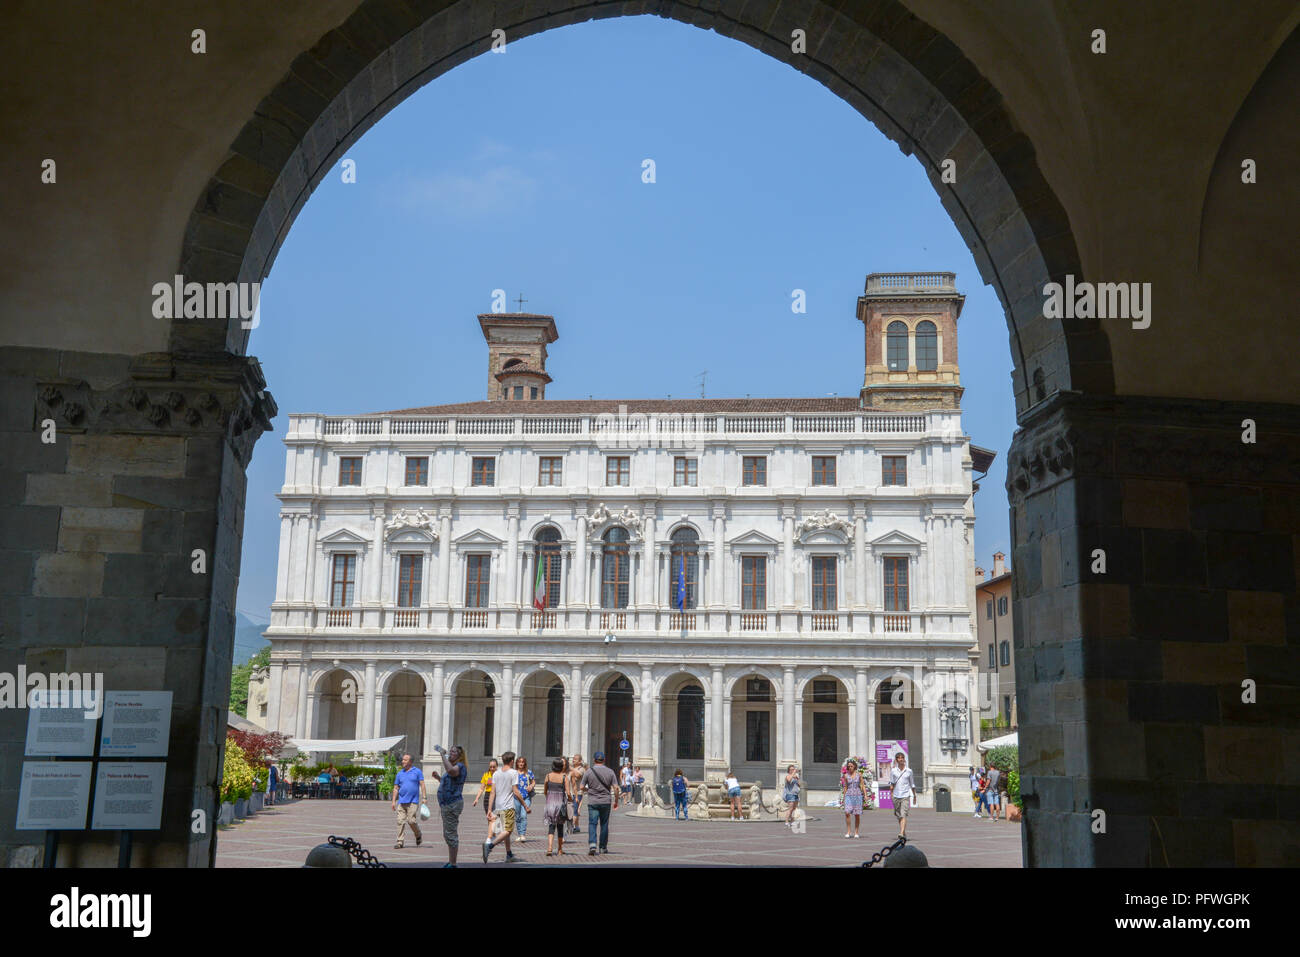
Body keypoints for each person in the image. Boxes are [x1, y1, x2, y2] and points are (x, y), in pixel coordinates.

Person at [482, 751, 525, 863]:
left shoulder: (496, 773)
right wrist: (525, 805)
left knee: (504, 831)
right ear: (511, 761)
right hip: (508, 806)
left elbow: (492, 793)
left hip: (499, 806)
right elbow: (515, 791)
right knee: (508, 831)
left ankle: (509, 854)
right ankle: (490, 846)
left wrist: (490, 809)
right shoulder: (513, 773)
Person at [428, 744, 467, 868]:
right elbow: (450, 782)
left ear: (459, 756)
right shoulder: (454, 766)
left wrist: (442, 754)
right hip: (447, 804)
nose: (450, 753)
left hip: (452, 804)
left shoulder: (460, 766)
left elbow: (451, 772)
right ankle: (451, 862)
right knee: (448, 833)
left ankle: (453, 863)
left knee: (450, 834)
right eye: (450, 751)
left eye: (453, 752)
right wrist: (439, 778)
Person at [579, 751, 619, 855]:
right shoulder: (610, 772)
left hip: (593, 801)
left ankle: (592, 844)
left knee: (592, 823)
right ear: (604, 760)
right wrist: (616, 801)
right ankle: (602, 847)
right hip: (606, 801)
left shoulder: (588, 771)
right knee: (604, 824)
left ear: (594, 760)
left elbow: (581, 787)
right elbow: (616, 788)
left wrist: (589, 790)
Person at [391, 752, 426, 849]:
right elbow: (396, 788)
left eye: (405, 760)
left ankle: (418, 834)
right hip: (401, 801)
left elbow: (422, 784)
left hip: (413, 801)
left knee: (411, 821)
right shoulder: (399, 773)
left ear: (410, 762)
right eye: (402, 760)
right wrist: (393, 801)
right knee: (400, 821)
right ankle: (400, 842)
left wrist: (424, 798)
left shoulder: (417, 771)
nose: (402, 761)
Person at [542, 757, 572, 856]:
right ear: (561, 766)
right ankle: (559, 849)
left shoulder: (548, 776)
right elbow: (568, 793)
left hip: (550, 803)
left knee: (551, 826)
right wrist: (570, 799)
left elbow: (545, 791)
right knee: (560, 827)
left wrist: (549, 796)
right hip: (560, 804)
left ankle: (549, 848)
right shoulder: (564, 777)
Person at [889, 750, 915, 839]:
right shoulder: (893, 771)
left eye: (902, 758)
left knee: (903, 814)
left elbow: (912, 784)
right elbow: (891, 783)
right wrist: (891, 794)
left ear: (904, 759)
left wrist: (914, 796)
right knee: (899, 815)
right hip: (896, 795)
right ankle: (903, 832)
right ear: (896, 760)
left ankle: (900, 832)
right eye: (899, 758)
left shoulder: (909, 771)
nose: (901, 759)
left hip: (905, 795)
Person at [472, 758, 498, 837]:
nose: (492, 769)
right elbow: (481, 788)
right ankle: (493, 834)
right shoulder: (486, 775)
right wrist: (476, 799)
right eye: (491, 767)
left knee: (494, 816)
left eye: (494, 767)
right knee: (489, 816)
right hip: (487, 796)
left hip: (497, 796)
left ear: (497, 767)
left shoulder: (499, 775)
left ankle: (492, 834)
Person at [514, 756, 535, 843]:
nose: (521, 763)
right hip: (516, 797)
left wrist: (531, 786)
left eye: (522, 762)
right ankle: (519, 834)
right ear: (517, 763)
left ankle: (523, 834)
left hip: (526, 796)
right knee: (517, 816)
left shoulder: (528, 772)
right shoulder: (514, 773)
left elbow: (533, 781)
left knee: (523, 815)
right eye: (519, 762)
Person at [841, 760, 864, 838]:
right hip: (849, 794)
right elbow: (845, 786)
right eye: (849, 766)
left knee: (857, 814)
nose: (850, 767)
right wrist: (844, 797)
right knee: (847, 812)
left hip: (857, 795)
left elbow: (862, 785)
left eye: (851, 766)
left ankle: (856, 832)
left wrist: (865, 795)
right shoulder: (846, 776)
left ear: (854, 766)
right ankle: (848, 831)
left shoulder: (859, 775)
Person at [567, 754, 586, 835]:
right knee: (573, 810)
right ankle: (577, 827)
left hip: (578, 793)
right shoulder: (571, 769)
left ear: (580, 761)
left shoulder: (581, 769)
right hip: (570, 792)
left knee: (574, 811)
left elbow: (578, 775)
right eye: (573, 759)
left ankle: (570, 828)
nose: (573, 760)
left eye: (575, 759)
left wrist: (570, 768)